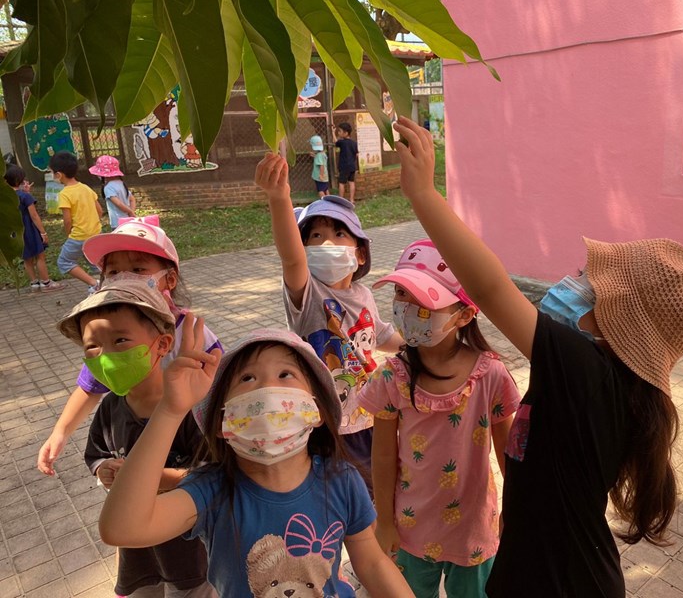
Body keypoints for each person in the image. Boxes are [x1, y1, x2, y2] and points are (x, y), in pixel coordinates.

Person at [392, 116, 683, 597]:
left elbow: (489, 287)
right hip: (546, 573)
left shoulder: (587, 372)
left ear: (616, 321)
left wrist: (423, 194)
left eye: (587, 278)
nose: (571, 281)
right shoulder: (610, 384)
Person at [97, 324, 414, 598]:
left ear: (316, 410)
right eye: (247, 378)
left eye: (285, 374)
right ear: (222, 422)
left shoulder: (341, 479)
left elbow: (372, 563)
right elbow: (122, 528)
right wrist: (170, 410)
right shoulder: (211, 491)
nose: (267, 387)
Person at [359, 239, 521, 597]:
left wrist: (516, 513)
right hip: (410, 528)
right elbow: (383, 456)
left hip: (473, 531)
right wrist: (384, 521)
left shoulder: (491, 376)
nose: (405, 306)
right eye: (401, 292)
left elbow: (510, 456)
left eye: (425, 300)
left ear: (464, 314)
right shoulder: (391, 377)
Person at [56, 280, 215, 598]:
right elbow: (96, 453)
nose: (106, 355)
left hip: (190, 550)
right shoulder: (110, 406)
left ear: (162, 344)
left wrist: (146, 477)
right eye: (92, 346)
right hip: (137, 553)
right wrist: (104, 470)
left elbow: (210, 475)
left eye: (120, 340)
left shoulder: (190, 410)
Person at [256, 153, 402, 492]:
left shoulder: (362, 293)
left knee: (383, 488)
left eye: (339, 234)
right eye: (316, 237)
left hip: (371, 411)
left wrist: (416, 347)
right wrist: (279, 198)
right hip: (330, 423)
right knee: (344, 495)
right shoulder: (307, 294)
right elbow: (290, 257)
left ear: (360, 253)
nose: (327, 243)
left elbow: (378, 333)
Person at [37, 221, 223, 476]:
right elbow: (90, 387)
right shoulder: (109, 334)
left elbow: (223, 384)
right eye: (114, 272)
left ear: (169, 279)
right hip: (134, 433)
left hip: (191, 440)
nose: (125, 278)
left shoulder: (191, 332)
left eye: (138, 269)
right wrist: (60, 432)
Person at [5, 164, 64, 292]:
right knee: (40, 256)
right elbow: (34, 216)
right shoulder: (26, 197)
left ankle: (34, 284)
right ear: (19, 180)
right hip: (30, 230)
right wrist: (43, 232)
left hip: (17, 233)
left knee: (27, 258)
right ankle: (46, 282)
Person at [50, 150, 103, 290]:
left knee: (64, 262)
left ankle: (94, 284)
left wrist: (68, 235)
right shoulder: (86, 188)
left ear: (58, 175)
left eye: (52, 173)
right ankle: (109, 282)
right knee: (94, 260)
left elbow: (67, 221)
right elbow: (100, 211)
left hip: (79, 236)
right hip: (95, 232)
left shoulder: (65, 193)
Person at [89, 154, 136, 228]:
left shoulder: (108, 187)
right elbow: (132, 199)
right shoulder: (121, 183)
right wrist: (131, 212)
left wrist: (130, 212)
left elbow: (118, 203)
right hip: (128, 221)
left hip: (118, 223)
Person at [335, 122, 358, 203]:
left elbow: (336, 142)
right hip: (352, 166)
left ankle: (341, 199)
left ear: (346, 133)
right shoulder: (354, 143)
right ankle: (352, 199)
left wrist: (332, 132)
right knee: (352, 182)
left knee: (341, 183)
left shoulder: (342, 142)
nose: (338, 133)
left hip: (344, 166)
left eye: (340, 131)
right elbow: (356, 154)